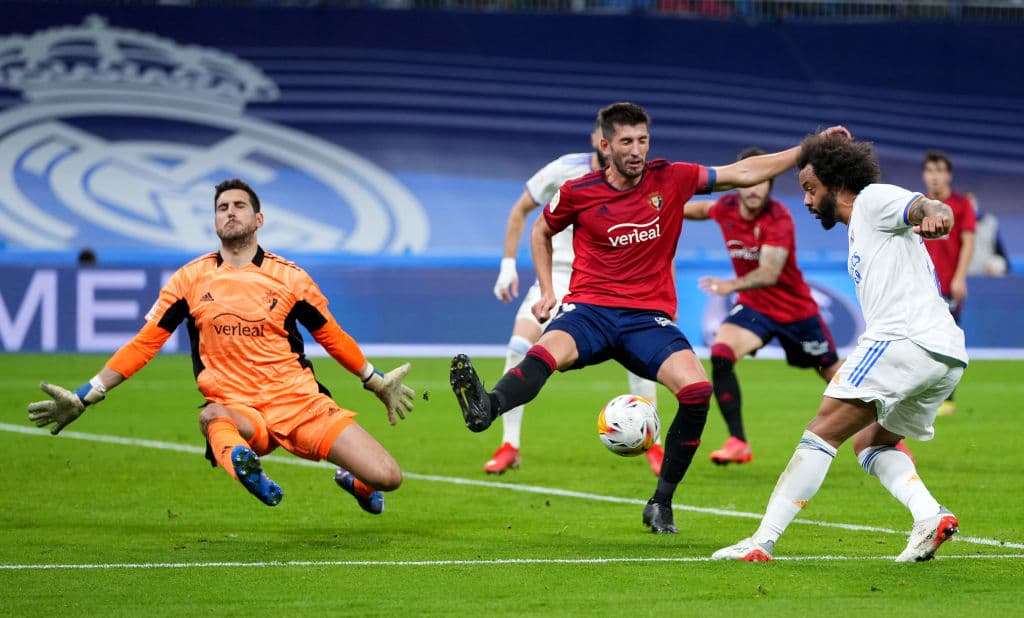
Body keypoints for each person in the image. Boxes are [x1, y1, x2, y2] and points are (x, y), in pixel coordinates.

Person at [450, 101, 850, 534]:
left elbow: (744, 172)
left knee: (696, 391)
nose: (637, 150)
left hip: (646, 319)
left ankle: (661, 502)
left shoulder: (672, 178)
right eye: (626, 141)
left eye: (642, 140)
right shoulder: (578, 191)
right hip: (590, 310)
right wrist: (548, 290)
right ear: (605, 146)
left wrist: (808, 148)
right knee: (544, 351)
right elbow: (541, 230)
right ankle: (487, 408)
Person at [27, 178, 415, 513]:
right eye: (222, 207)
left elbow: (331, 335)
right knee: (212, 416)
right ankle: (247, 469)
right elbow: (144, 344)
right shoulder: (189, 280)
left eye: (239, 206)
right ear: (215, 221)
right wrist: (86, 395)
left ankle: (357, 482)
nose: (229, 212)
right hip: (240, 410)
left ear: (258, 219)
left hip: (299, 403)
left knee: (389, 476)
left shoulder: (291, 279)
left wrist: (375, 380)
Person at [713, 133, 966, 562]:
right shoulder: (862, 227)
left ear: (837, 182)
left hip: (902, 340)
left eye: (811, 189)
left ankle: (761, 540)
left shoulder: (872, 201)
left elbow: (924, 206)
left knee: (821, 431)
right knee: (870, 442)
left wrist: (938, 213)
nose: (807, 202)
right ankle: (929, 516)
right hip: (945, 354)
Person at [489, 124, 663, 476]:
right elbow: (520, 210)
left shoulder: (641, 177)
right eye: (609, 138)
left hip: (609, 279)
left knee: (639, 355)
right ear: (598, 141)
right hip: (557, 276)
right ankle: (509, 444)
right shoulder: (565, 169)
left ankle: (653, 443)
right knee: (519, 345)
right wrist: (507, 266)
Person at [683, 146, 842, 466]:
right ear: (740, 181)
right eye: (750, 181)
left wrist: (729, 286)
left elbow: (769, 272)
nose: (754, 189)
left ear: (769, 184)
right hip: (755, 309)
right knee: (721, 353)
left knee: (835, 376)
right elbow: (700, 210)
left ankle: (886, 436)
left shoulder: (778, 217)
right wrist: (665, 207)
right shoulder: (726, 207)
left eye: (762, 182)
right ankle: (738, 442)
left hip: (796, 313)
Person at [921, 150, 975, 416]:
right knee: (919, 341)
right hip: (921, 287)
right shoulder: (918, 206)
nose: (935, 177)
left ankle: (947, 399)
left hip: (947, 285)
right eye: (930, 171)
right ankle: (922, 396)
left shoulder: (962, 205)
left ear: (949, 175)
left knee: (947, 342)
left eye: (940, 171)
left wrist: (960, 277)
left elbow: (968, 242)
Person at [964, 191, 1009, 277]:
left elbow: (1002, 256)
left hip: (986, 276)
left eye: (971, 202)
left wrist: (999, 266)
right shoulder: (953, 224)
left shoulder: (990, 222)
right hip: (963, 276)